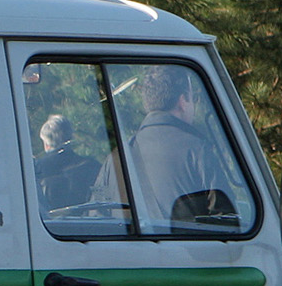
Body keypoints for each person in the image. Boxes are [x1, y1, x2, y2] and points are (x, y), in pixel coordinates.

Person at [94, 67, 239, 232]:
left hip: (127, 257)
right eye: (193, 98)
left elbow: (96, 219)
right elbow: (227, 225)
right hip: (184, 256)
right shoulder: (197, 150)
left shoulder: (115, 157)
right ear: (183, 101)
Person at [31, 114, 97, 212]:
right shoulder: (91, 166)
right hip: (91, 224)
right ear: (70, 137)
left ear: (46, 143)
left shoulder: (35, 170)